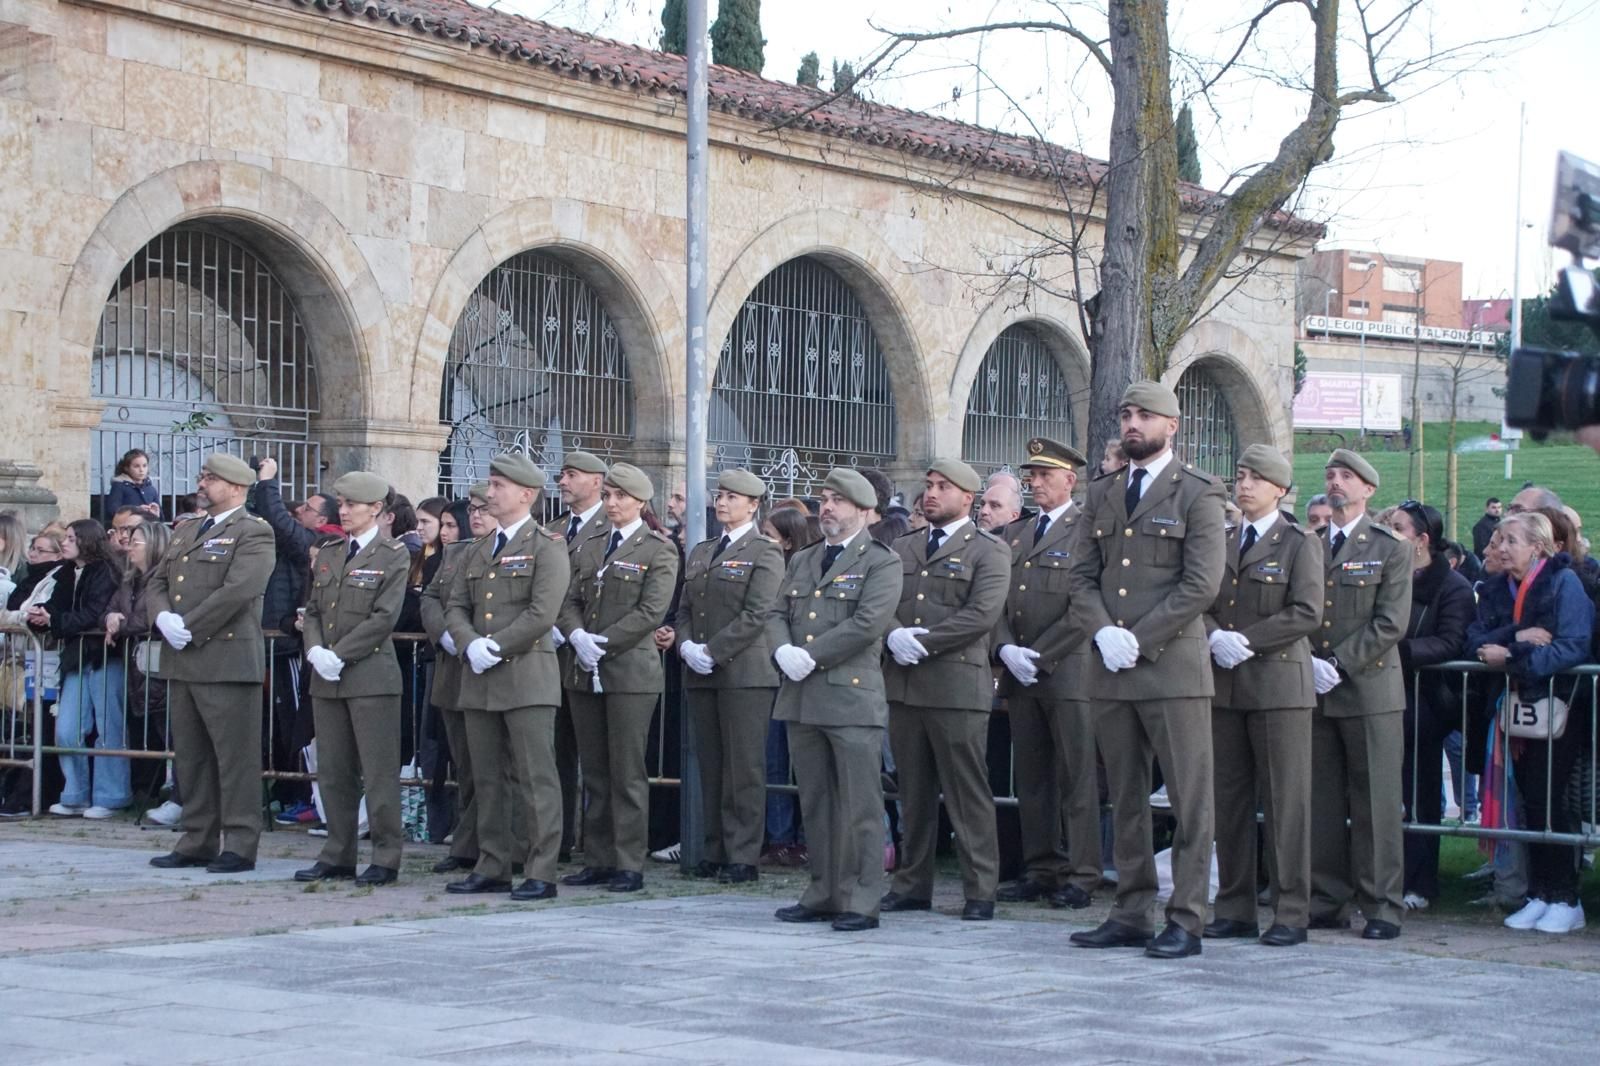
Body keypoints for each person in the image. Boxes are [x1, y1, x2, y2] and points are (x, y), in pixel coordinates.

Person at [1067, 381, 1226, 960]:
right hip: (1111, 666)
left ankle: (1186, 916)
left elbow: (1201, 585)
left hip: (1171, 668)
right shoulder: (1104, 491)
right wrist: (1103, 631)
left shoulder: (1199, 493)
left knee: (1188, 799)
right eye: (1126, 414)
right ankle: (1131, 910)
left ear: (1172, 425)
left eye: (1145, 415)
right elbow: (1081, 577)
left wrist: (1138, 638)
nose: (1132, 423)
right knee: (1126, 797)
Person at [770, 468, 902, 931]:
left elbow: (867, 624)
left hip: (849, 698)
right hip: (803, 696)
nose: (827, 508)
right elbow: (776, 611)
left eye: (838, 501)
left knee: (859, 804)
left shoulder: (882, 561)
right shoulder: (804, 559)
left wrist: (808, 655)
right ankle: (824, 890)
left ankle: (863, 899)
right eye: (825, 499)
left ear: (864, 512)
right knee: (817, 801)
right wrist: (782, 649)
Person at [1202, 445, 1323, 947]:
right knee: (1228, 802)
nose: (1244, 485)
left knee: (1284, 803)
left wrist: (1247, 640)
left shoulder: (1299, 541)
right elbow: (1200, 595)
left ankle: (1291, 911)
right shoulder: (1222, 538)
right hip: (1226, 686)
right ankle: (1234, 906)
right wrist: (1212, 635)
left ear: (1279, 489)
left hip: (1277, 684)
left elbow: (1306, 610)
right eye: (1241, 476)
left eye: (1256, 478)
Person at [880, 459, 1009, 921]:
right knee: (912, 793)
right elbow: (884, 598)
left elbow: (981, 615)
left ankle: (980, 889)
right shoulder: (905, 545)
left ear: (967, 499)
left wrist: (921, 642)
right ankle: (912, 884)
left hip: (956, 685)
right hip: (906, 685)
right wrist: (893, 633)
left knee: (965, 791)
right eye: (929, 485)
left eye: (942, 488)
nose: (930, 494)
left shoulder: (988, 550)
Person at [444, 454, 571, 900]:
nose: (489, 493)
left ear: (527, 494)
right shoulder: (477, 549)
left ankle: (541, 869)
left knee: (535, 778)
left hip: (525, 677)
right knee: (487, 777)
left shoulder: (547, 546)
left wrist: (495, 645)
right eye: (490, 484)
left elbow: (543, 612)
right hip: (479, 677)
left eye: (498, 485)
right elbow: (455, 605)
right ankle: (492, 863)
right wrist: (468, 642)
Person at [146, 452, 276, 873]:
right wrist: (162, 616)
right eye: (203, 477)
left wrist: (189, 625)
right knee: (192, 756)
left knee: (234, 757)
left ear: (236, 487)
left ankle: (239, 842)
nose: (201, 485)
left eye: (210, 479)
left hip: (225, 657)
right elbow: (158, 580)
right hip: (184, 658)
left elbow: (240, 589)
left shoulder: (254, 531)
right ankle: (198, 837)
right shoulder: (187, 530)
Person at [1468, 512, 1594, 935]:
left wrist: (1514, 657)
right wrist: (1518, 639)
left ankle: (1565, 896)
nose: (1500, 548)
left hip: (1560, 707)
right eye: (1499, 540)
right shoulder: (1494, 589)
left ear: (1537, 547)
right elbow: (1476, 639)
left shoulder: (1563, 583)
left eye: (1510, 541)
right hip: (1514, 708)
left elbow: (1575, 645)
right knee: (1528, 801)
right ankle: (1540, 892)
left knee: (1550, 800)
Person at [557, 463, 679, 892]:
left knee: (626, 770)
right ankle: (599, 856)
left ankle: (629, 861)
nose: (612, 504)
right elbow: (568, 597)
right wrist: (575, 634)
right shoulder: (588, 544)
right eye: (608, 496)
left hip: (628, 672)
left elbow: (650, 612)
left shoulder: (658, 549)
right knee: (594, 770)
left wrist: (600, 642)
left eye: (620, 497)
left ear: (641, 502)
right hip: (584, 668)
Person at [992, 438, 1102, 911]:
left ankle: (1083, 873)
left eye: (1043, 475)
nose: (1034, 483)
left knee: (1077, 778)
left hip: (1068, 672)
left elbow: (1085, 607)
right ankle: (1042, 867)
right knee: (1033, 779)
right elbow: (995, 598)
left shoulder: (1087, 531)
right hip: (1021, 671)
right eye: (1031, 476)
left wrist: (1039, 655)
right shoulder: (1017, 535)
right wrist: (1004, 647)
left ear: (1069, 481)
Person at [1307, 450, 1413, 940]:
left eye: (1346, 476)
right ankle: (1327, 898)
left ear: (1368, 490)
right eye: (1330, 475)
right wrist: (1308, 660)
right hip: (1316, 689)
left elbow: (1390, 622)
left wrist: (1337, 662)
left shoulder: (1390, 547)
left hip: (1368, 689)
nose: (1335, 482)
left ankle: (1382, 905)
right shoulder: (1310, 544)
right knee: (1322, 801)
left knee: (1375, 802)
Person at [293, 472, 411, 887]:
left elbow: (383, 617)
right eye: (340, 504)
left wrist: (337, 653)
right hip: (327, 675)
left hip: (370, 675)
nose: (342, 511)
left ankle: (385, 856)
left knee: (377, 773)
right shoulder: (329, 552)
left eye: (352, 505)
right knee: (334, 771)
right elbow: (313, 609)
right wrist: (315, 650)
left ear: (376, 509)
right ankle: (337, 853)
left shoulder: (392, 554)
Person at [667, 469, 784, 883]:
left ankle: (743, 855)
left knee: (743, 768)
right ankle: (715, 849)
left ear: (753, 505)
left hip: (744, 672)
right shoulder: (701, 551)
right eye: (720, 495)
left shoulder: (765, 552)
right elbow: (683, 609)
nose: (722, 503)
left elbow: (757, 614)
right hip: (701, 668)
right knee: (712, 765)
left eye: (733, 497)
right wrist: (686, 646)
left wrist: (712, 651)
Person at [1390, 501, 1474, 912]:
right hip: (1385, 695)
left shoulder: (1452, 586)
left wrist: (1395, 651)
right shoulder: (1389, 574)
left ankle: (1419, 880)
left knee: (1420, 792)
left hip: (1425, 701)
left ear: (1422, 540)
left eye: (1399, 528)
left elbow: (1451, 640)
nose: (1390, 533)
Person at [28, 520, 127, 818]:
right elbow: (55, 606)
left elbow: (94, 613)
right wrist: (41, 616)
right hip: (75, 656)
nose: (65, 543)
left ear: (87, 541)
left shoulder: (106, 572)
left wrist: (55, 621)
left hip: (104, 655)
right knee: (68, 728)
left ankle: (111, 796)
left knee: (109, 728)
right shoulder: (66, 572)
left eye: (71, 538)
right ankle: (75, 793)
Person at [421, 484, 493, 874]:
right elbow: (431, 598)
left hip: (489, 666)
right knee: (463, 764)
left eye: (484, 508)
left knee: (491, 766)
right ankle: (467, 844)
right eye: (474, 510)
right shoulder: (454, 554)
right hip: (454, 669)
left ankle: (495, 846)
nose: (477, 515)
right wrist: (445, 633)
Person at [545, 450, 610, 862]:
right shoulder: (552, 529)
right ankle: (561, 839)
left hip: (593, 654)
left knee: (599, 757)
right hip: (552, 655)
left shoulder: (614, 527)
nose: (563, 482)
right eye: (562, 474)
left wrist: (574, 631)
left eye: (572, 475)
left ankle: (596, 845)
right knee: (556, 754)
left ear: (597, 482)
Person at [759, 504, 820, 865]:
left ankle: (804, 838)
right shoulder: (778, 569)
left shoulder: (801, 570)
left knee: (804, 763)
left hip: (803, 672)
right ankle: (780, 837)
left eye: (768, 535)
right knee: (775, 761)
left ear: (787, 540)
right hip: (776, 672)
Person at [103, 521, 175, 821]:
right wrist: (109, 616)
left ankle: (181, 799)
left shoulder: (164, 579)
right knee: (157, 733)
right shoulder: (129, 580)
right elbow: (110, 609)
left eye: (137, 541)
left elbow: (152, 618)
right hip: (139, 666)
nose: (129, 546)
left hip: (161, 666)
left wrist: (120, 624)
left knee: (174, 734)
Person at [105, 448, 161, 521]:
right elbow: (112, 511)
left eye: (144, 466)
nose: (141, 470)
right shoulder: (120, 486)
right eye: (136, 466)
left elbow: (160, 518)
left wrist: (155, 514)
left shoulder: (151, 489)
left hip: (147, 530)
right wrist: (135, 510)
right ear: (126, 468)